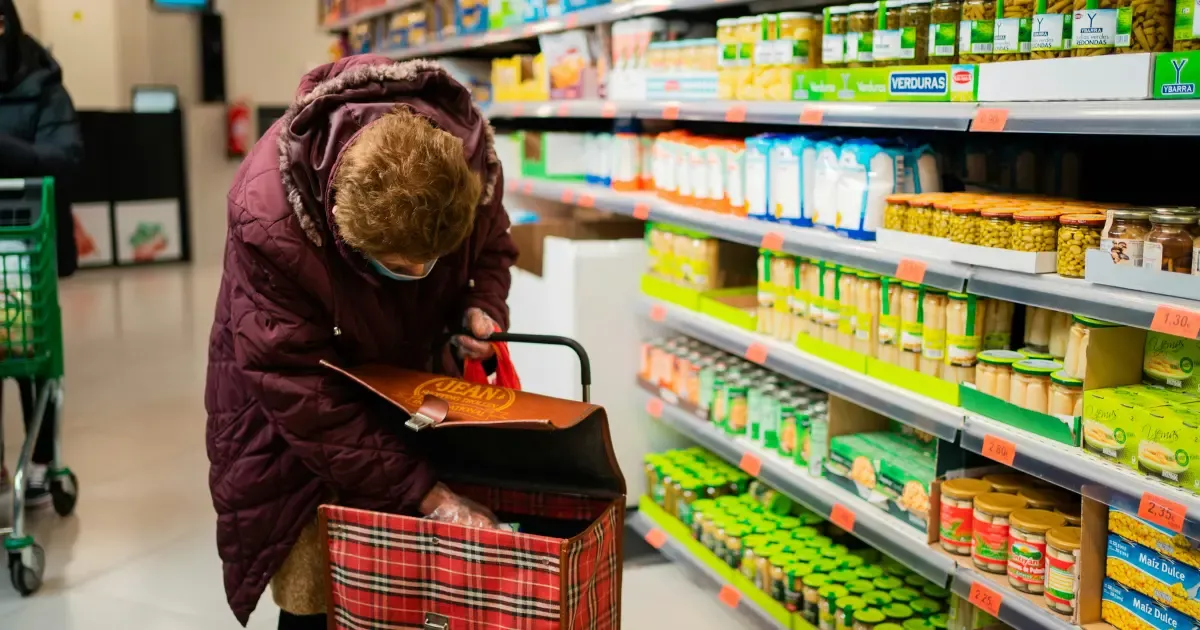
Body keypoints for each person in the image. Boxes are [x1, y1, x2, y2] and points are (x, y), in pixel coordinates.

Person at [205, 55, 518, 629]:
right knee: (315, 587)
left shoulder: (466, 170)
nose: (422, 271)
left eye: (434, 260)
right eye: (401, 265)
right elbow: (297, 388)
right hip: (298, 423)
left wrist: (481, 305)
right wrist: (424, 493)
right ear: (344, 233)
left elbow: (492, 248)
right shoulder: (269, 216)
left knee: (410, 592)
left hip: (409, 391)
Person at [0, 0, 82, 506]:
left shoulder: (44, 86)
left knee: (31, 354)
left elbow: (67, 158)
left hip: (25, 251)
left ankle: (40, 459)